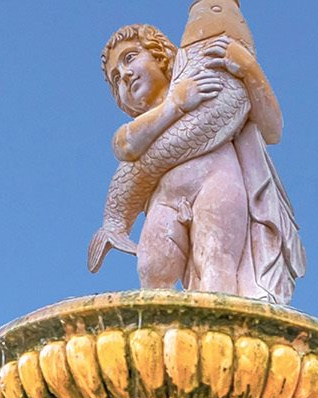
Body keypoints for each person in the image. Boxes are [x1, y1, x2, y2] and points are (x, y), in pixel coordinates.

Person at [89, 8, 303, 303]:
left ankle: (218, 339)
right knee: (152, 267)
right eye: (115, 79)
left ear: (161, 55)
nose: (124, 75)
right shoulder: (141, 130)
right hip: (164, 197)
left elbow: (273, 130)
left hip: (217, 181)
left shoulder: (214, 86)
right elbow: (124, 146)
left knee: (215, 262)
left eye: (130, 58)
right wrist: (175, 104)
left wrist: (249, 67)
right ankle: (159, 345)